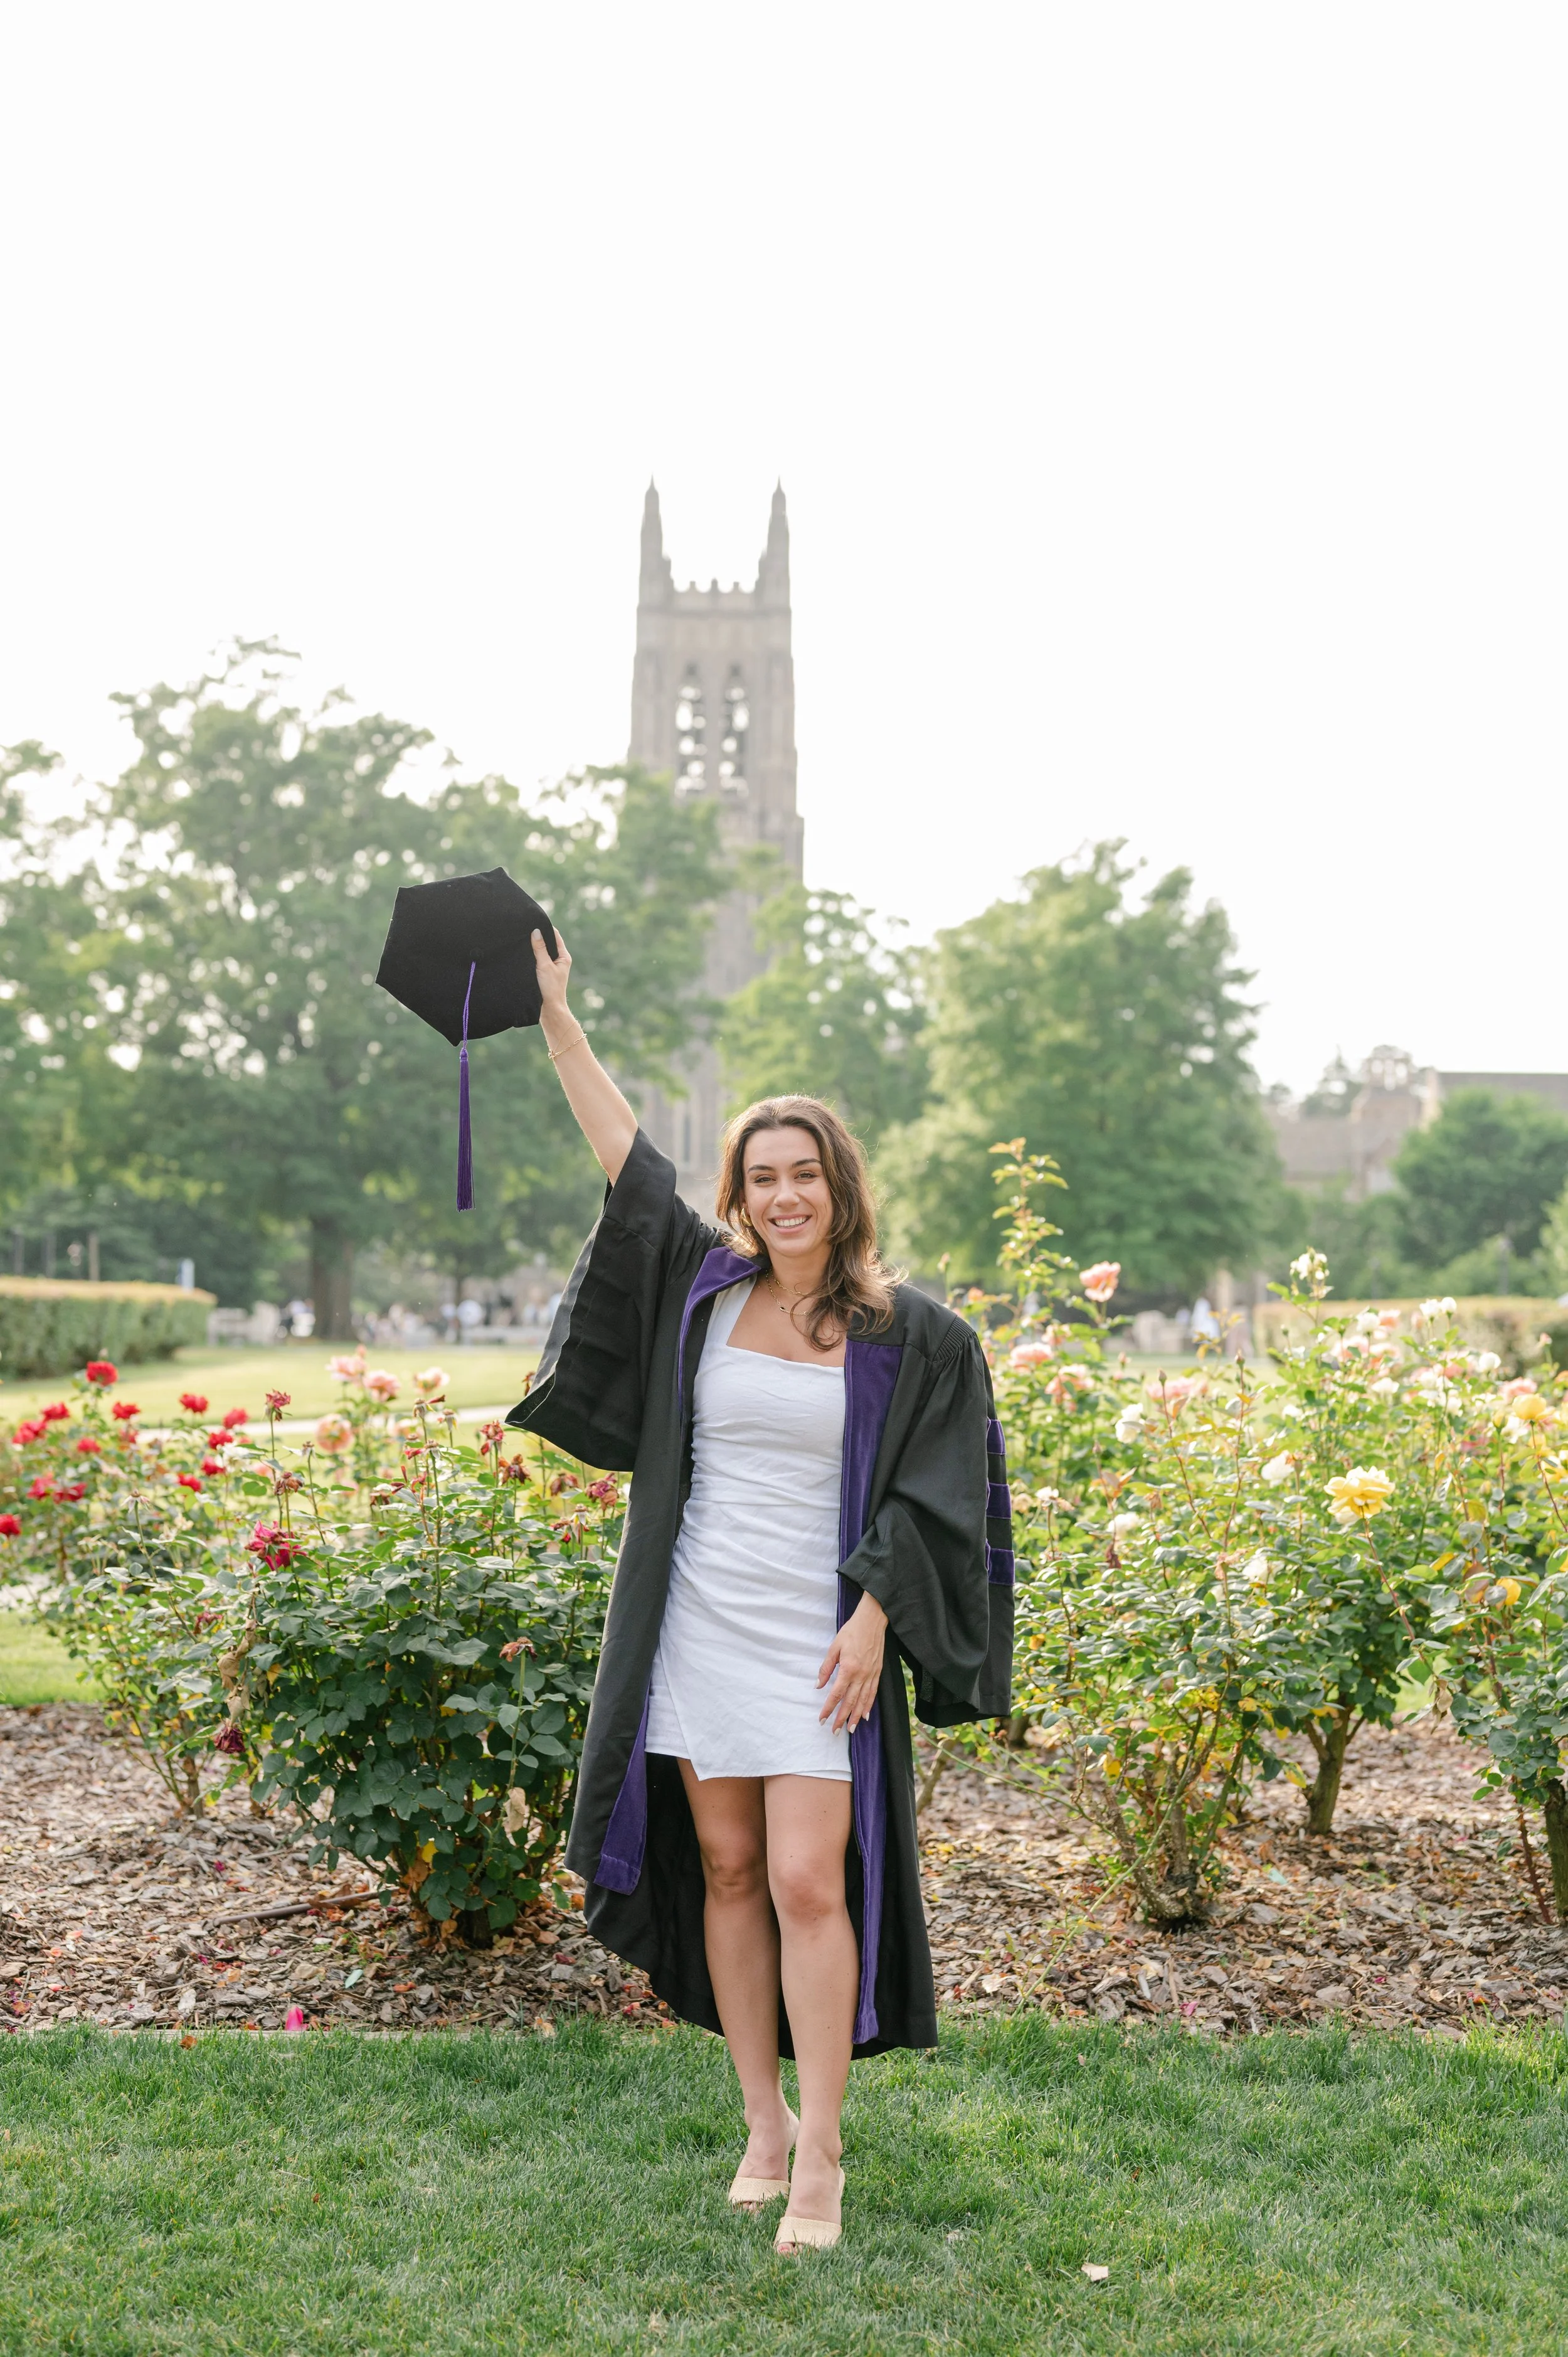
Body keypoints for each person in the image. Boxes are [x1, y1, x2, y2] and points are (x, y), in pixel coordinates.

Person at [509, 925, 1012, 2255]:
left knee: (805, 1880)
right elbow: (629, 1164)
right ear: (741, 1194)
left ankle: (825, 2152)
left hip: (820, 1640)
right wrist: (557, 1019)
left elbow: (938, 1495)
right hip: (698, 1621)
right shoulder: (704, 1289)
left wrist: (876, 1613)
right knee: (728, 1869)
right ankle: (761, 2124)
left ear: (841, 1189)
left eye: (805, 1175)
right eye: (762, 1177)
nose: (784, 1197)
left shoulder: (912, 1335)